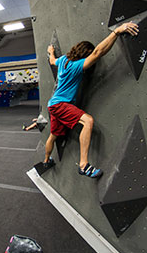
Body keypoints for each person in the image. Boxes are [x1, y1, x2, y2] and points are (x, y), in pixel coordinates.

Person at [43, 22, 139, 178]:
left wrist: (50, 51)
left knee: (53, 136)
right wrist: (116, 32)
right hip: (60, 105)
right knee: (87, 121)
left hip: (53, 104)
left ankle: (46, 160)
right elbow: (98, 52)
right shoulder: (76, 66)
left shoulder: (63, 61)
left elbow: (52, 61)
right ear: (85, 54)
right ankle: (83, 165)